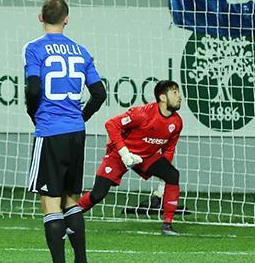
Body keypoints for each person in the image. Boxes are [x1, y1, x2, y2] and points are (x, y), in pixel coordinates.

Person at [24, 0, 106, 263]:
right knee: (70, 198)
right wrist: (80, 117)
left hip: (50, 131)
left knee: (50, 201)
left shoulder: (34, 48)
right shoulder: (81, 51)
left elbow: (34, 89)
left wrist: (34, 115)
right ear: (67, 19)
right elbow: (99, 94)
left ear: (40, 17)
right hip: (75, 133)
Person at [78, 81, 185, 236]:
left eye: (178, 92)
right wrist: (124, 153)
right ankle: (70, 215)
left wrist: (163, 181)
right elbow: (111, 124)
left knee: (172, 175)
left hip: (146, 156)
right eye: (175, 93)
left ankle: (167, 225)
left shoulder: (176, 122)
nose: (179, 96)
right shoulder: (142, 114)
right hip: (120, 154)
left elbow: (168, 149)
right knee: (98, 194)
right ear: (162, 97)